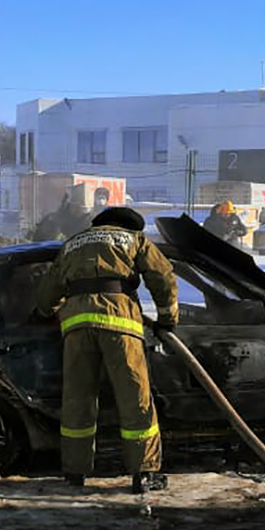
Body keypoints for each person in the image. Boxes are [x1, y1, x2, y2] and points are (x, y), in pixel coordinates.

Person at [36, 206, 179, 494]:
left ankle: (75, 472)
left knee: (78, 400)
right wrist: (167, 318)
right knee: (134, 397)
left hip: (77, 328)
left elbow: (49, 290)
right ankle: (144, 473)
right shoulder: (134, 239)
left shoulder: (73, 243)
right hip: (119, 323)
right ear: (128, 225)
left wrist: (45, 312)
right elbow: (161, 275)